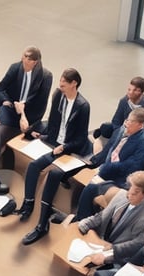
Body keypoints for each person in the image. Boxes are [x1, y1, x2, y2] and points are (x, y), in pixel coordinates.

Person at [17, 68, 91, 244]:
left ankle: (42, 225)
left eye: (64, 84)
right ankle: (28, 204)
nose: (61, 86)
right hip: (55, 144)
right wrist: (43, 136)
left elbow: (81, 139)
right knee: (33, 166)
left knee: (54, 174)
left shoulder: (83, 106)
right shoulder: (58, 95)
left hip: (71, 150)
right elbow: (52, 122)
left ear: (74, 84)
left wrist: (65, 146)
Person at [0, 46, 53, 195]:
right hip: (11, 113)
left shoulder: (45, 76)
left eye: (28, 58)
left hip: (30, 118)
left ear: (35, 62)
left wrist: (24, 111)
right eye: (23, 56)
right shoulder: (16, 68)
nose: (23, 59)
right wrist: (7, 102)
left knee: (47, 137)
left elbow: (41, 105)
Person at [74, 108, 144, 221]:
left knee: (91, 188)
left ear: (140, 125)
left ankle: (81, 220)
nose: (126, 124)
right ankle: (82, 217)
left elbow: (130, 167)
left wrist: (107, 168)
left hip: (119, 180)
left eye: (130, 122)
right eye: (127, 120)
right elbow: (110, 148)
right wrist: (99, 163)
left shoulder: (143, 143)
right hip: (106, 170)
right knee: (83, 183)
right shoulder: (123, 130)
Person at [74, 170, 144, 266]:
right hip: (99, 242)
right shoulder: (122, 194)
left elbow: (136, 244)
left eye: (133, 193)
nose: (128, 195)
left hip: (117, 255)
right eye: (129, 189)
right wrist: (84, 224)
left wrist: (111, 250)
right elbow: (102, 216)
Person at [92, 76, 144, 151]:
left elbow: (140, 126)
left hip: (132, 132)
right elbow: (116, 121)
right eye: (129, 89)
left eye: (135, 90)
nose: (130, 92)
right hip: (121, 128)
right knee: (105, 127)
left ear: (141, 92)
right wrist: (118, 133)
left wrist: (125, 134)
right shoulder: (124, 100)